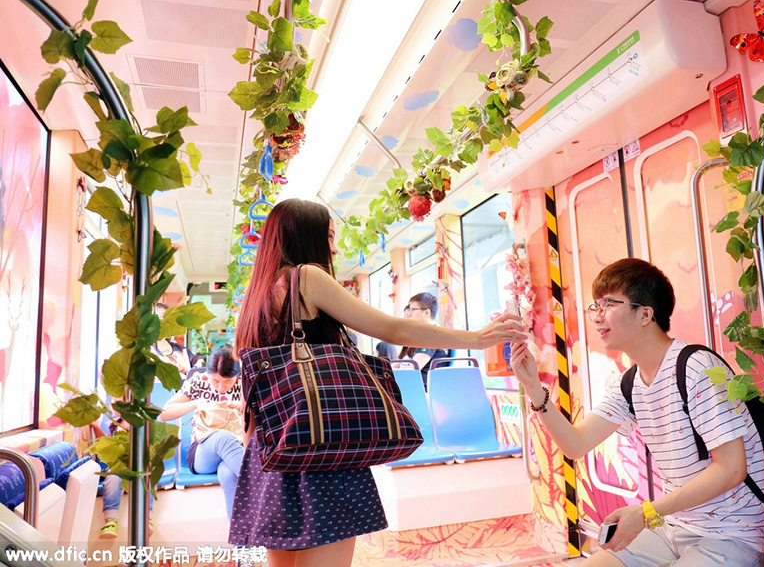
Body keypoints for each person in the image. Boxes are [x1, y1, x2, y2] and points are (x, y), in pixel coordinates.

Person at [229, 199, 525, 567]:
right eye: (329, 237)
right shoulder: (306, 277)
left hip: (270, 452)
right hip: (322, 449)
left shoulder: (257, 295)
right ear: (306, 236)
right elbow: (391, 328)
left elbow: (253, 388)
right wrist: (477, 339)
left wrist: (252, 447)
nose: (333, 248)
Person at [510, 258, 764, 567]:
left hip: (734, 534)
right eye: (596, 306)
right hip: (673, 527)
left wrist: (647, 512)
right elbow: (575, 444)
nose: (598, 316)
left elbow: (731, 468)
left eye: (609, 304)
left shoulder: (697, 368)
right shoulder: (628, 383)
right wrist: (532, 385)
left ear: (645, 314)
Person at [159, 346, 244, 521]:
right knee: (223, 438)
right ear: (208, 374)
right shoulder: (200, 381)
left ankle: (241, 537)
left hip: (236, 450)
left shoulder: (245, 383)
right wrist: (197, 403)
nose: (221, 387)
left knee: (228, 474)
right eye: (215, 381)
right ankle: (266, 491)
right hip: (202, 453)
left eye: (227, 382)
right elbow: (164, 413)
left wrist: (240, 407)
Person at [398, 292, 449, 389]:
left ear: (426, 312)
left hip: (422, 390)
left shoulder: (430, 335)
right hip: (422, 387)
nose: (409, 314)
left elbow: (413, 369)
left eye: (412, 310)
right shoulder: (433, 332)